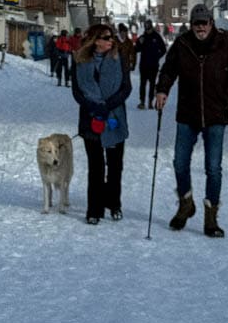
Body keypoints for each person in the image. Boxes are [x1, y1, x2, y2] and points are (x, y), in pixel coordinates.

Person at [155, 3, 228, 238]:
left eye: (204, 23)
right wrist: (162, 90)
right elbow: (168, 70)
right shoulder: (182, 44)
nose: (200, 27)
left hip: (216, 114)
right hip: (188, 113)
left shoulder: (224, 43)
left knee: (213, 168)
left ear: (211, 23)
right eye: (196, 23)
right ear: (191, 25)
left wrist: (227, 96)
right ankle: (186, 203)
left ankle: (211, 218)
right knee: (179, 163)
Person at [71, 24, 131, 225]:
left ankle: (114, 204)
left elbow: (126, 88)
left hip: (113, 117)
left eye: (112, 37)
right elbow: (77, 92)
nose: (111, 40)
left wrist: (107, 106)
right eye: (106, 37)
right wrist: (93, 106)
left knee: (115, 166)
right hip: (91, 118)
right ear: (95, 40)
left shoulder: (118, 58)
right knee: (95, 166)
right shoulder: (80, 60)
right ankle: (94, 209)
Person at [136, 19, 167, 109]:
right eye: (146, 29)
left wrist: (157, 56)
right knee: (143, 84)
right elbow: (136, 49)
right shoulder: (142, 37)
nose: (148, 31)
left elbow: (163, 49)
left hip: (153, 65)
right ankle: (142, 102)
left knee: (152, 84)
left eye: (149, 29)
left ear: (151, 28)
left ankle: (150, 102)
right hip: (144, 65)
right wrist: (139, 43)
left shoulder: (157, 37)